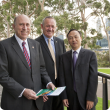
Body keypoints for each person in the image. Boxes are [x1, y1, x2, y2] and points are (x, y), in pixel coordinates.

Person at [0, 14, 55, 110]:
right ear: (14, 26)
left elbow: (41, 68)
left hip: (36, 102)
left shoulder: (36, 45)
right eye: (21, 24)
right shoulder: (3, 46)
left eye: (27, 24)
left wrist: (48, 82)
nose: (25, 28)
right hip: (15, 103)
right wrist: (23, 91)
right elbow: (2, 76)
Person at [59, 29, 98, 110]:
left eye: (76, 37)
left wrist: (90, 98)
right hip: (71, 99)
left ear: (80, 38)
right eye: (70, 38)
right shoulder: (63, 57)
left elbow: (93, 78)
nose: (74, 40)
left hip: (86, 98)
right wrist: (64, 96)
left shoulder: (90, 55)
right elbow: (61, 78)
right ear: (68, 41)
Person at [35, 16, 66, 110]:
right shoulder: (35, 43)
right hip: (44, 88)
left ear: (55, 27)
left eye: (52, 26)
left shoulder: (60, 42)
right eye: (48, 26)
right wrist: (39, 90)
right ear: (42, 26)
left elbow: (64, 65)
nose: (50, 29)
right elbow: (34, 69)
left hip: (59, 87)